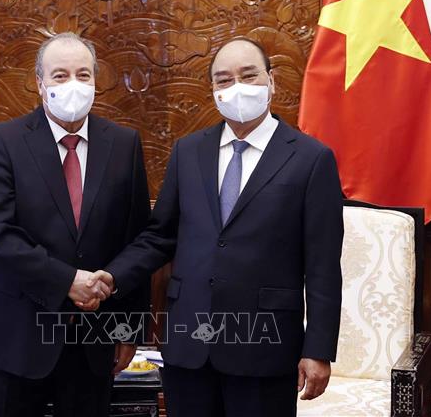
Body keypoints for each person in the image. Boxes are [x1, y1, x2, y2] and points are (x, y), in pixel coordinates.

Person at [84, 37, 344, 417]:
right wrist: (110, 276)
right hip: (189, 345)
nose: (236, 87)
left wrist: (318, 349)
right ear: (213, 91)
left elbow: (322, 265)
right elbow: (160, 236)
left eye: (248, 75)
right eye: (223, 80)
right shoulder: (188, 151)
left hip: (264, 348)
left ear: (271, 81)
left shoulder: (311, 159)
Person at [0, 32, 150, 417]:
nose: (73, 85)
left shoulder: (124, 144)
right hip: (14, 335)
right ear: (39, 83)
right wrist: (68, 281)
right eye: (60, 75)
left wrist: (128, 331)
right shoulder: (4, 141)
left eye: (83, 75)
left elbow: (138, 240)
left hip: (94, 339)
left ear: (96, 82)